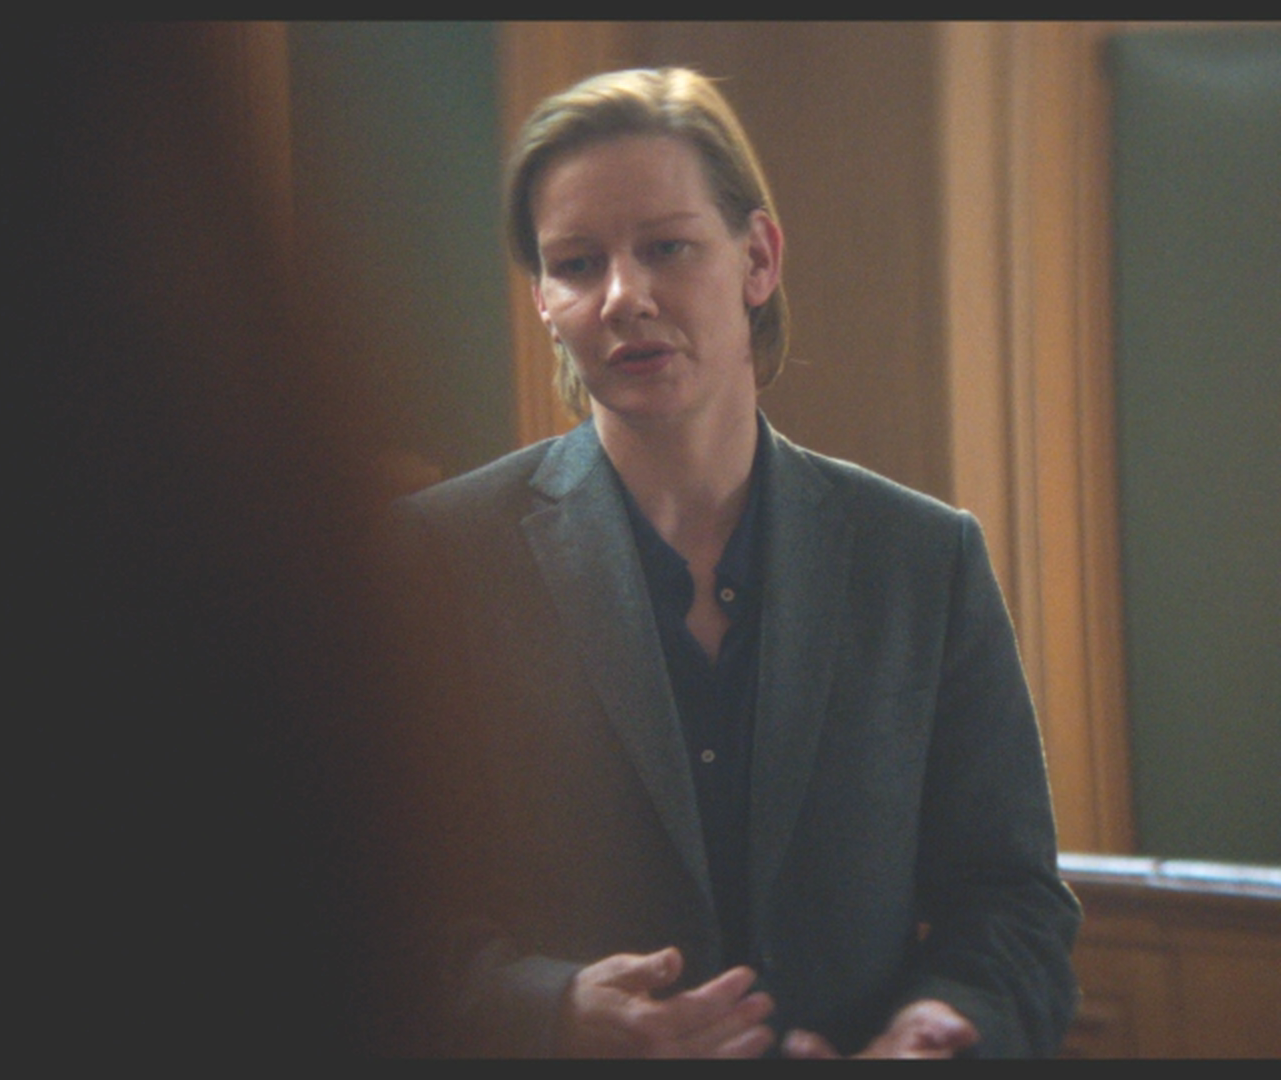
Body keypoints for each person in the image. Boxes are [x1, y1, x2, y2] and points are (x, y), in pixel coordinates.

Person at [385, 68, 1080, 1057]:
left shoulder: (924, 559)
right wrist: (557, 1010)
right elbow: (362, 922)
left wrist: (937, 1029)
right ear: (542, 298)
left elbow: (1014, 907)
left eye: (666, 247)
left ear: (757, 258)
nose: (624, 296)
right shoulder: (439, 558)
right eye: (577, 264)